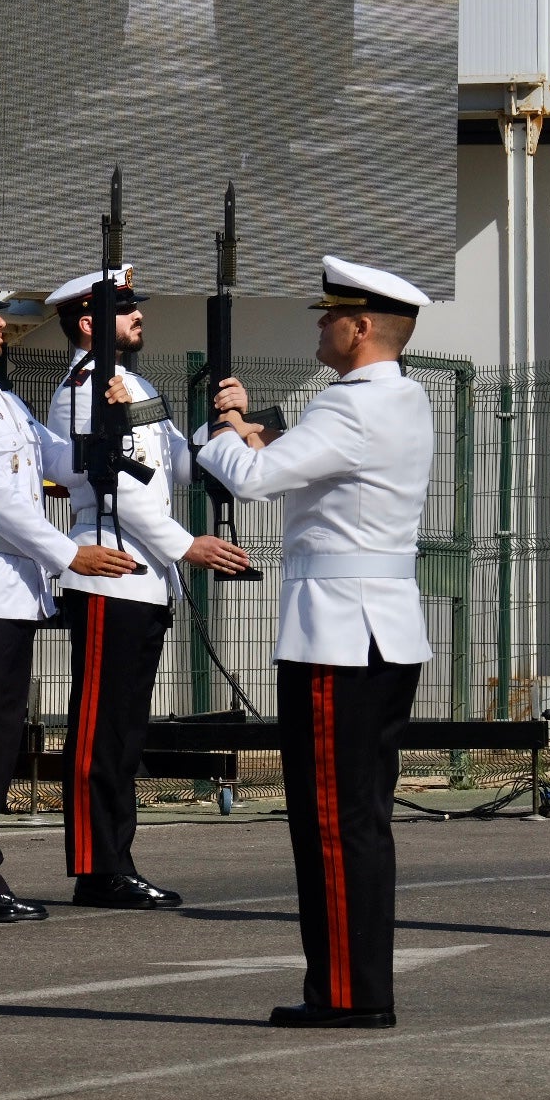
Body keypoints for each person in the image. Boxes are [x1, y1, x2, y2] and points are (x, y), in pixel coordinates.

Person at [197, 256, 433, 1030]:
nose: (322, 324)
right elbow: (309, 468)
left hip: (338, 635)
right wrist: (255, 435)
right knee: (360, 817)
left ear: (361, 328)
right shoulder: (401, 398)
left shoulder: (350, 406)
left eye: (332, 315)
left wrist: (222, 431)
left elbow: (252, 479)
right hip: (381, 631)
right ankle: (357, 986)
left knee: (331, 821)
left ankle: (347, 993)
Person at [0, 264, 136, 922]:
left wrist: (109, 427)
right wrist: (69, 554)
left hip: (12, 592)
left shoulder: (4, 400)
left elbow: (56, 461)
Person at [42, 265, 249, 910]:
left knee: (125, 732)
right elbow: (119, 491)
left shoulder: (138, 385)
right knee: (101, 730)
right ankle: (97, 865)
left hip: (144, 580)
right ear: (88, 324)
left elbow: (175, 467)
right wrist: (186, 546)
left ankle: (115, 858)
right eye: (124, 308)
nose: (138, 316)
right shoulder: (83, 390)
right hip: (111, 572)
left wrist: (223, 423)